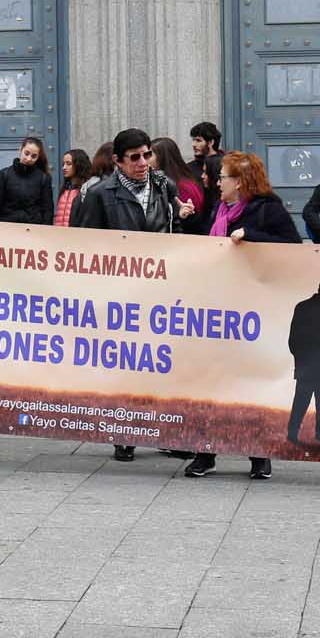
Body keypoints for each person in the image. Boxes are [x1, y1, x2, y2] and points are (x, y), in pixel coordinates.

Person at [72, 128, 187, 461]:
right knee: (126, 365)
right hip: (119, 294)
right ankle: (124, 431)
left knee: (163, 362)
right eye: (134, 157)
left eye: (147, 154)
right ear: (117, 161)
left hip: (159, 290)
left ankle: (169, 432)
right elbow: (84, 245)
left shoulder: (164, 186)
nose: (143, 163)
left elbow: (174, 230)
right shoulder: (100, 194)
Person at [187, 150, 291, 479]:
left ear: (239, 182)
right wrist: (189, 219)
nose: (218, 183)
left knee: (249, 382)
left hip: (251, 313)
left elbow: (290, 246)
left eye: (223, 178)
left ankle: (258, 454)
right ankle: (205, 452)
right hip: (217, 308)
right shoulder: (218, 211)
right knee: (210, 382)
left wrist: (253, 238)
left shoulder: (267, 209)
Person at [0, 136, 55, 225]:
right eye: (26, 153)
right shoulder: (4, 174)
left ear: (38, 157)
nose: (29, 159)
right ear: (20, 150)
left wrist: (45, 231)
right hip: (7, 228)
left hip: (33, 230)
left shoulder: (44, 178)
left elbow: (47, 209)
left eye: (34, 156)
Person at [188, 121, 224, 203]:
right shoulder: (189, 168)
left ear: (211, 142)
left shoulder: (226, 165)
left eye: (198, 140)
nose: (193, 144)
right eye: (193, 140)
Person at [54, 148, 92, 226]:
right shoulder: (65, 189)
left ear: (78, 165)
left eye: (68, 164)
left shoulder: (86, 189)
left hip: (75, 235)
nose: (64, 167)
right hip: (59, 235)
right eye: (63, 164)